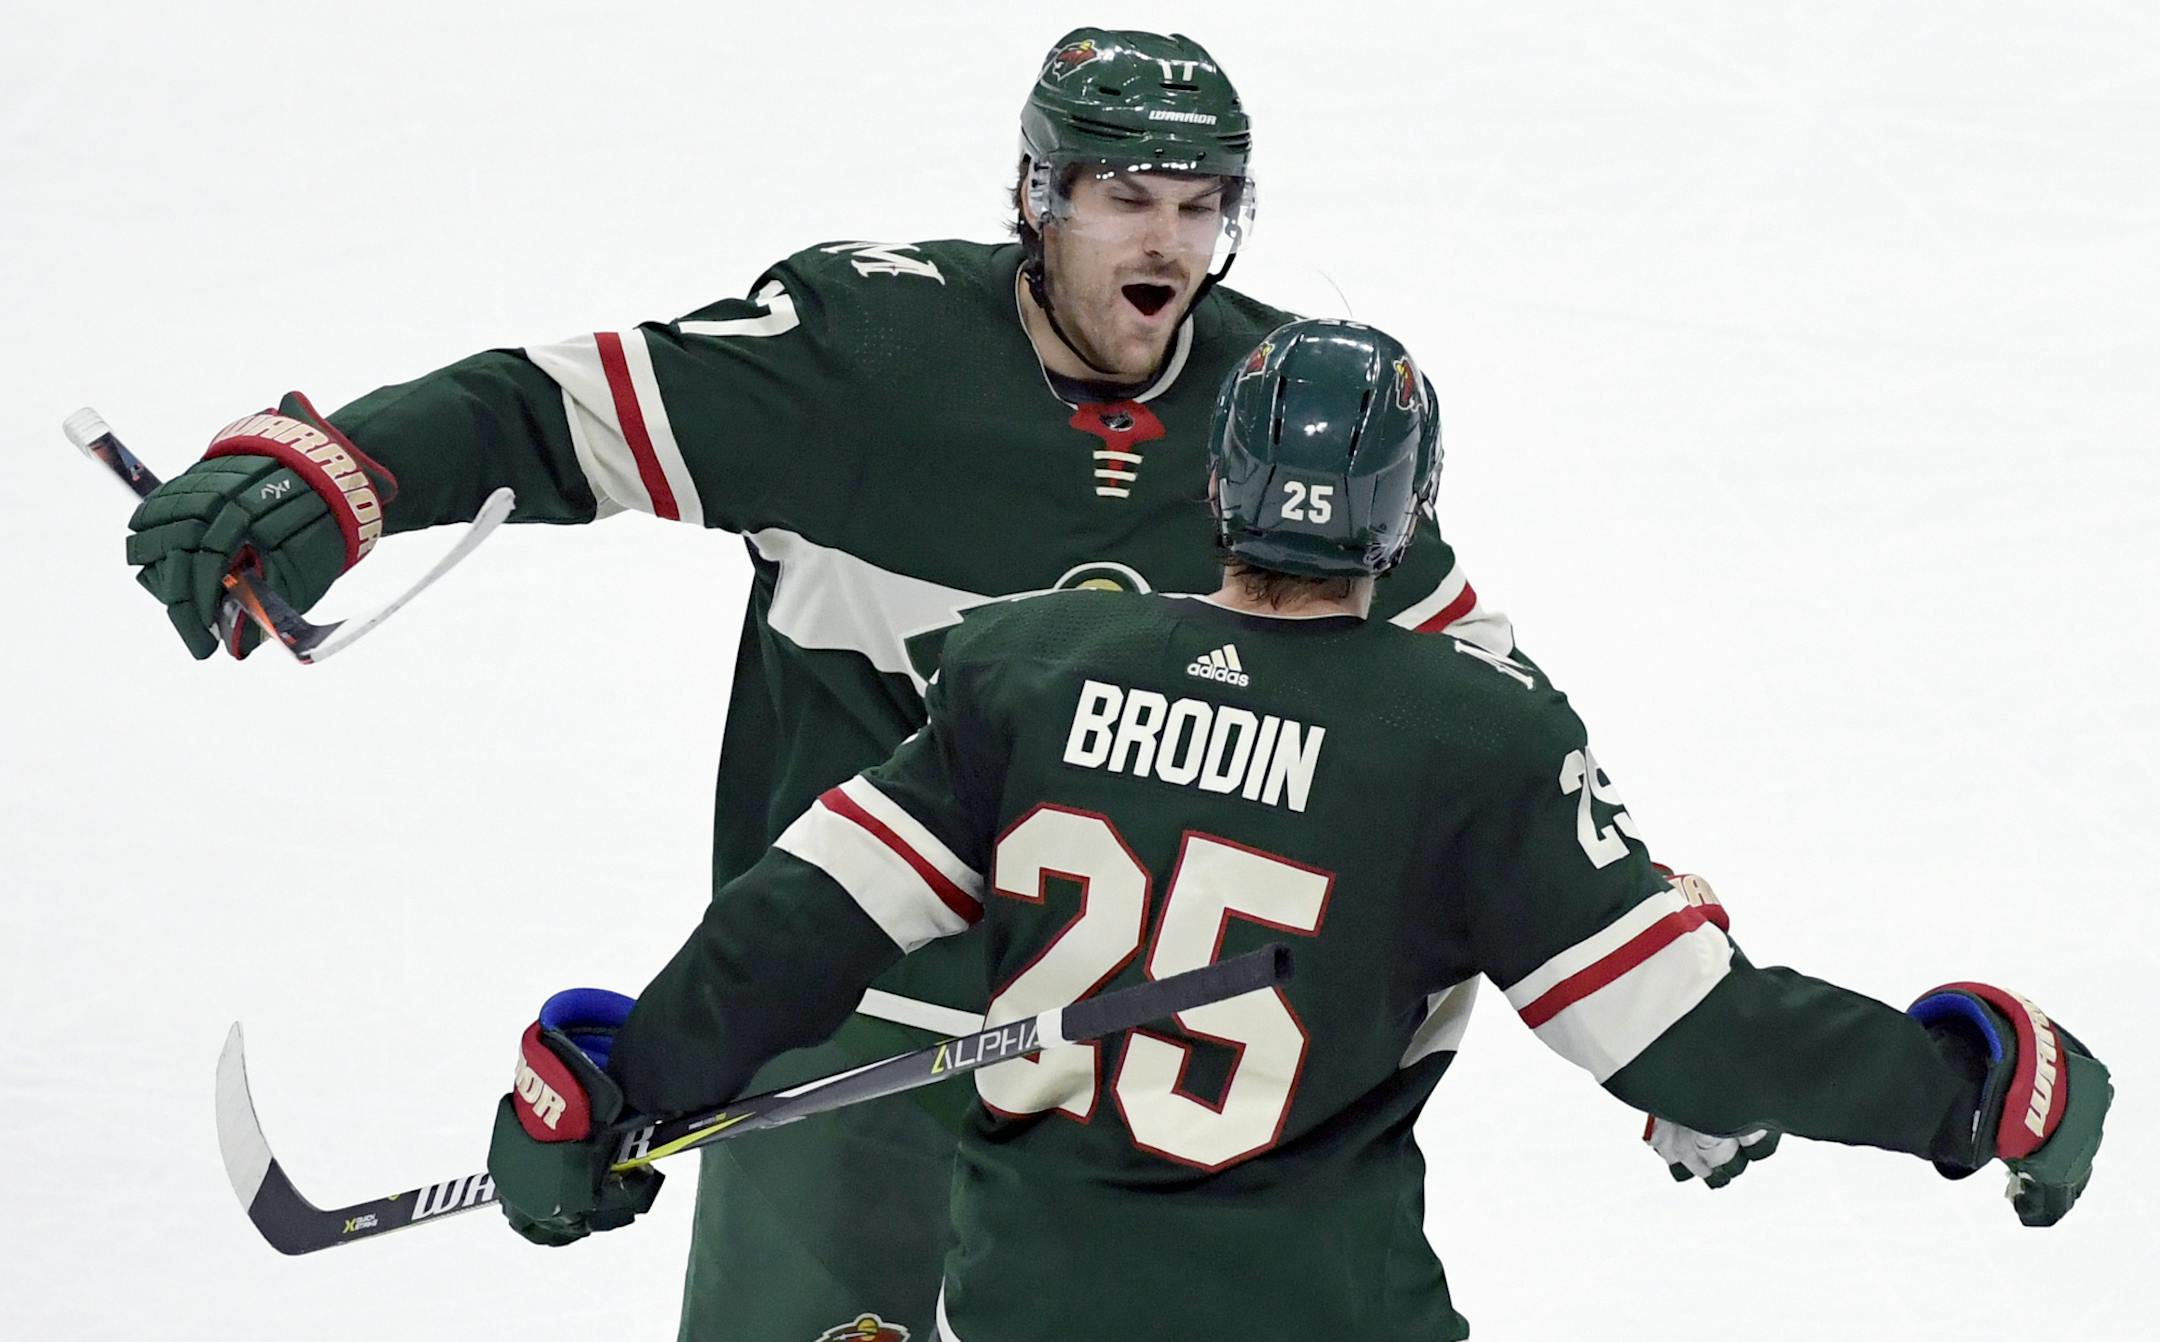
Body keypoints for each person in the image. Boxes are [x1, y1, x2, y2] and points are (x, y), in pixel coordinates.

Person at [117, 29, 1721, 1338]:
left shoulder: (1280, 415)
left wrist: (1670, 999)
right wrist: (341, 468)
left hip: (1131, 1071)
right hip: (836, 1039)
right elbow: (550, 414)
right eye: (1123, 197)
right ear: (1035, 195)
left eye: (1200, 203)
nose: (1167, 241)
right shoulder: (860, 359)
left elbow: (1485, 723)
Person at [485, 319, 2110, 1342]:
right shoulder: (1469, 736)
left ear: (1218, 493)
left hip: (1025, 1306)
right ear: (1404, 521)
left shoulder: (1029, 669)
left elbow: (806, 920)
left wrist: (621, 1083)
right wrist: (1975, 1086)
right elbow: (1693, 1043)